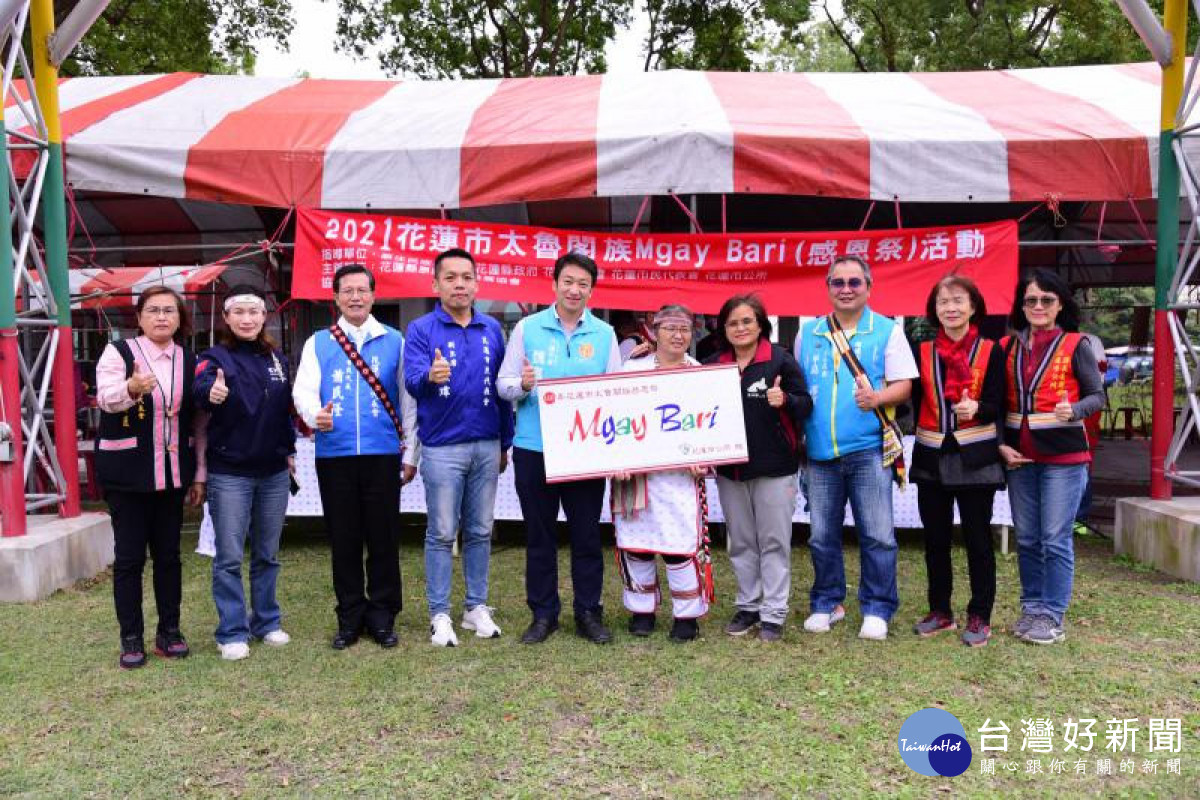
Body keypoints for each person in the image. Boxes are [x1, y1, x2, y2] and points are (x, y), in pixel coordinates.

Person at [497, 252, 622, 645]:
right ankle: (543, 614)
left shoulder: (604, 334)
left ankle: (588, 612)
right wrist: (524, 385)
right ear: (554, 284)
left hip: (585, 451)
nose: (574, 289)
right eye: (568, 281)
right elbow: (503, 384)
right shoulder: (527, 329)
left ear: (591, 290)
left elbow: (616, 393)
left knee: (586, 535)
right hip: (535, 448)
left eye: (583, 283)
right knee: (539, 535)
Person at [293, 264, 419, 650]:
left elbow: (408, 401)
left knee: (383, 539)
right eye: (347, 291)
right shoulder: (319, 342)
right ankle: (349, 617)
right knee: (344, 539)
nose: (355, 297)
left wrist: (411, 451)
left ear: (374, 295)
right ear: (335, 298)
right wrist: (316, 416)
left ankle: (382, 617)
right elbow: (303, 391)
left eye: (362, 290)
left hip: (383, 454)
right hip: (336, 454)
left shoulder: (395, 340)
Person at [796, 255, 918, 641]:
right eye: (838, 282)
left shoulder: (886, 330)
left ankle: (878, 607)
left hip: (868, 449)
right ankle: (827, 602)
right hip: (818, 452)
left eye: (854, 283)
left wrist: (877, 396)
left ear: (868, 286)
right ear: (828, 287)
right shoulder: (809, 333)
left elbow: (905, 384)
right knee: (821, 535)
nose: (846, 289)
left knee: (878, 533)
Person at [403, 248, 514, 647]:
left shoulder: (491, 329)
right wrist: (430, 376)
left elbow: (503, 390)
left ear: (477, 283)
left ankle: (475, 607)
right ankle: (439, 613)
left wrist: (506, 441)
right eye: (450, 277)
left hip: (486, 443)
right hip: (442, 448)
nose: (459, 284)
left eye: (466, 277)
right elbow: (412, 382)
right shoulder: (420, 329)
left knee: (481, 529)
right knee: (442, 532)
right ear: (435, 284)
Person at [94, 286, 206, 669]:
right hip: (128, 474)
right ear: (139, 317)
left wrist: (199, 475)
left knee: (169, 557)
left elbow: (197, 422)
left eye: (169, 311)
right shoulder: (120, 353)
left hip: (173, 475)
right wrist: (131, 387)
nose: (161, 317)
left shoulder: (189, 361)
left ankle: (169, 631)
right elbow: (105, 397)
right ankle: (131, 638)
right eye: (153, 310)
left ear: (179, 318)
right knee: (128, 559)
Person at [999, 269, 1105, 645]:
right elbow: (997, 404)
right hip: (1019, 458)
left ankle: (1052, 615)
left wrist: (1074, 410)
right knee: (1027, 538)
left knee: (1055, 537)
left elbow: (1098, 397)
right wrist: (999, 444)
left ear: (1060, 304)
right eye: (1031, 300)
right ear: (1021, 306)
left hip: (1064, 458)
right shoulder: (1007, 348)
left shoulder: (1077, 345)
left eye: (1047, 300)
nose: (1039, 306)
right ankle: (1031, 607)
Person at [193, 285, 296, 661]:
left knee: (267, 554)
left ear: (264, 316)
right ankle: (232, 630)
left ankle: (266, 621)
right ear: (226, 318)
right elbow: (201, 388)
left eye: (254, 311)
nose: (247, 318)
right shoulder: (213, 357)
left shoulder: (277, 359)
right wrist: (211, 394)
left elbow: (284, 411)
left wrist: (289, 450)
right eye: (239, 312)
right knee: (230, 557)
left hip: (273, 471)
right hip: (230, 472)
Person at [705, 294, 812, 643]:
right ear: (724, 328)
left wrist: (787, 400)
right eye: (733, 323)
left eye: (747, 321)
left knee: (773, 542)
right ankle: (749, 606)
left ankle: (774, 613)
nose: (740, 328)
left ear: (761, 324)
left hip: (775, 468)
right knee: (740, 542)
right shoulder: (713, 365)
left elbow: (805, 404)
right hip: (730, 470)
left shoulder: (780, 360)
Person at [909, 276, 1005, 647]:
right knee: (935, 539)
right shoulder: (921, 352)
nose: (950, 307)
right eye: (943, 302)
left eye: (958, 300)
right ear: (934, 310)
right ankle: (940, 611)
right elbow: (911, 402)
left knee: (979, 540)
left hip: (975, 456)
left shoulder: (991, 350)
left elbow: (1000, 403)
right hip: (931, 454)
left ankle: (980, 614)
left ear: (974, 306)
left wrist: (978, 408)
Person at [612, 305, 714, 642]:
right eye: (669, 328)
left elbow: (711, 424)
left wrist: (705, 456)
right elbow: (613, 418)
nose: (677, 335)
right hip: (638, 474)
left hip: (679, 476)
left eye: (684, 328)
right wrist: (616, 458)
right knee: (637, 543)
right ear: (653, 331)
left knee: (679, 545)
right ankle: (642, 610)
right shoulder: (632, 368)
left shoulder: (699, 372)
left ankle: (686, 616)